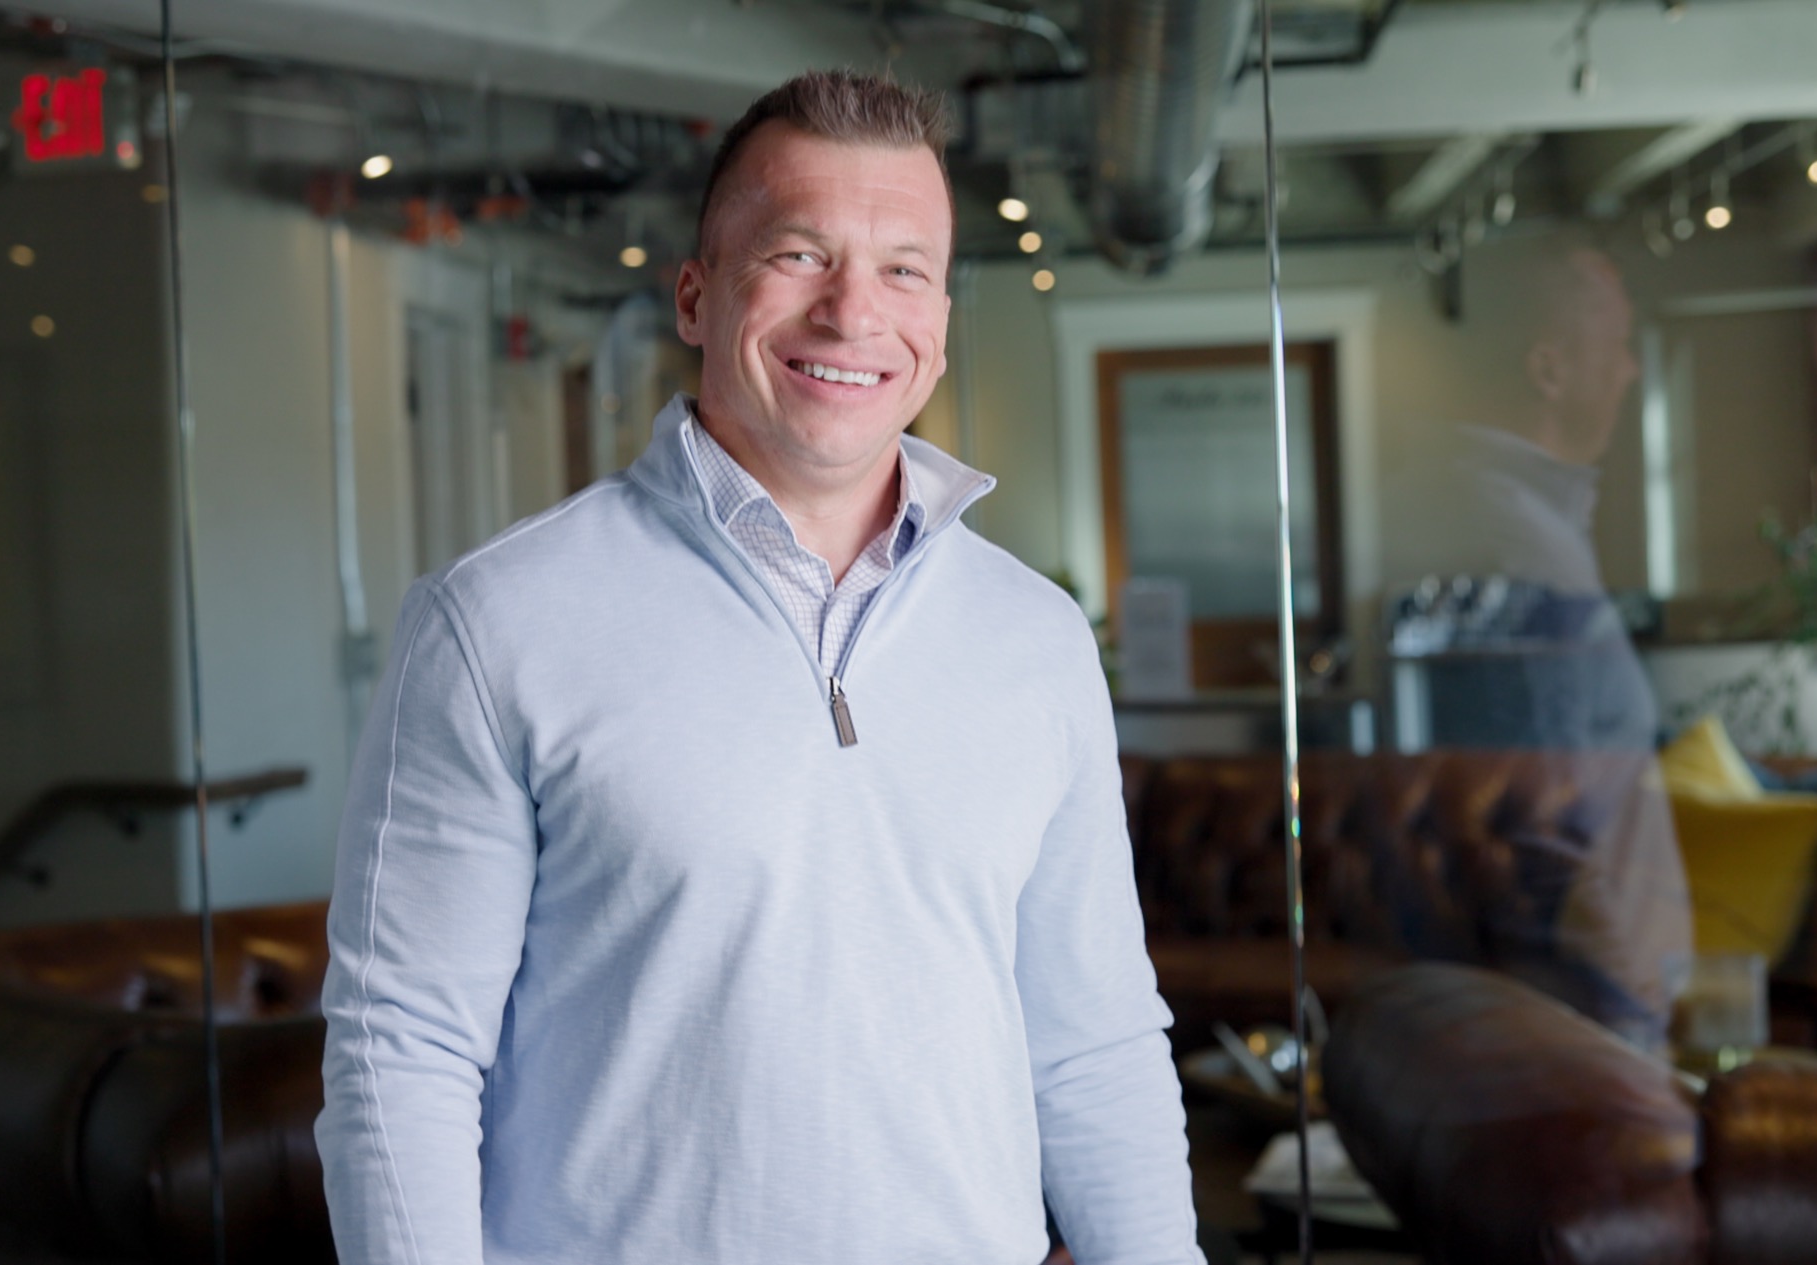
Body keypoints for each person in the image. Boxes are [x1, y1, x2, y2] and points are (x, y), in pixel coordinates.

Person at [314, 70, 1201, 1265]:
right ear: (695, 293)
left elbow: (1092, 1041)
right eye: (798, 255)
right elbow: (401, 1044)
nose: (853, 312)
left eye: (903, 269)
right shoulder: (496, 622)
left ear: (939, 318)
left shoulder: (1035, 639)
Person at [1383, 237, 1691, 1050]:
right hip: (1578, 1025)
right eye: (1618, 346)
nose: (1628, 371)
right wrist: (1628, 1016)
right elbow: (1534, 832)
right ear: (1549, 369)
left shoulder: (1517, 521)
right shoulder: (1512, 543)